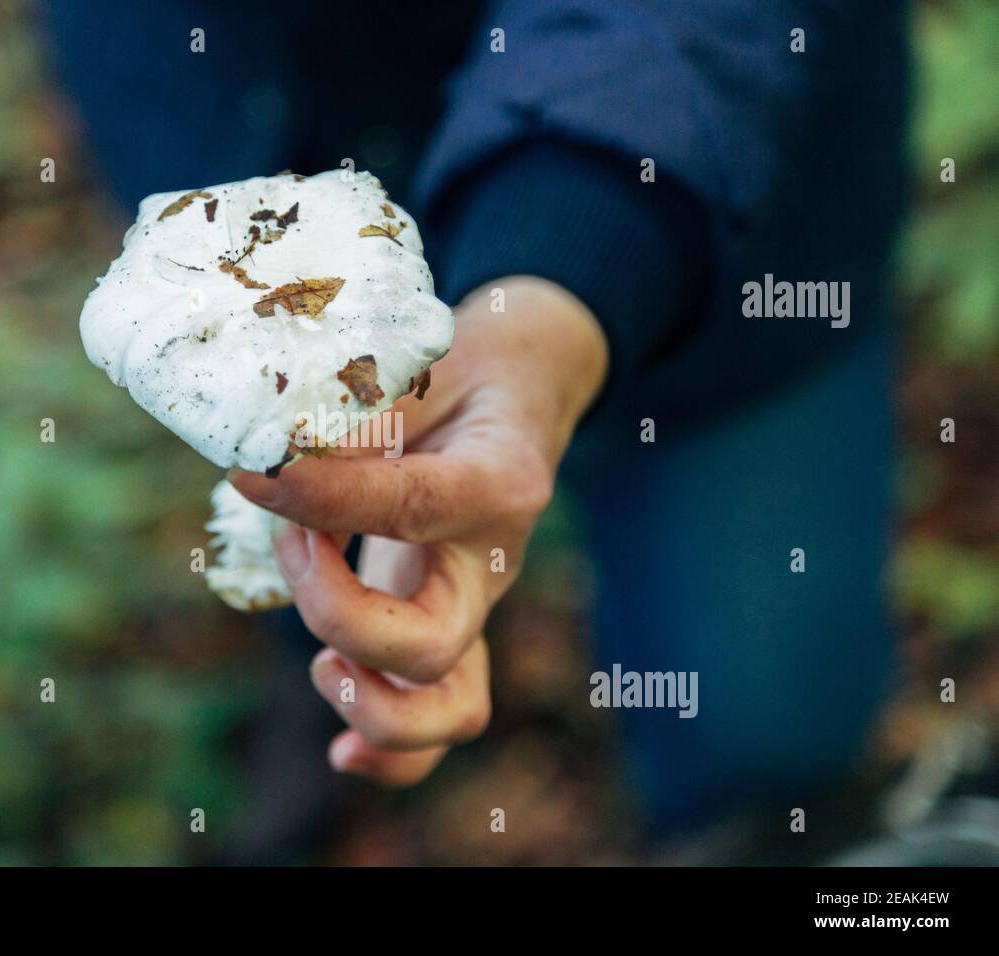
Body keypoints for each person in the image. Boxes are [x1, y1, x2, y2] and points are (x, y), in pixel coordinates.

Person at [47, 0, 908, 839]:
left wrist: (565, 258)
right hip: (255, 158)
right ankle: (325, 679)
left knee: (759, 720)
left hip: (718, 221)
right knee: (314, 507)